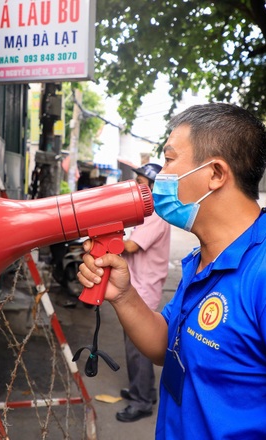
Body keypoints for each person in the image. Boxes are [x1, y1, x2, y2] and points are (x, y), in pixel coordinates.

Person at [78, 103, 266, 439]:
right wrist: (124, 295)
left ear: (216, 174)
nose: (162, 175)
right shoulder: (205, 260)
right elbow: (165, 345)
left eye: (170, 160)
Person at [116, 163, 171, 423]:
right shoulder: (144, 212)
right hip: (136, 284)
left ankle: (143, 401)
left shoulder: (157, 214)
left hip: (144, 289)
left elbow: (131, 245)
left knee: (139, 347)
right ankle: (140, 390)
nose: (137, 186)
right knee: (133, 344)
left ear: (152, 186)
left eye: (141, 182)